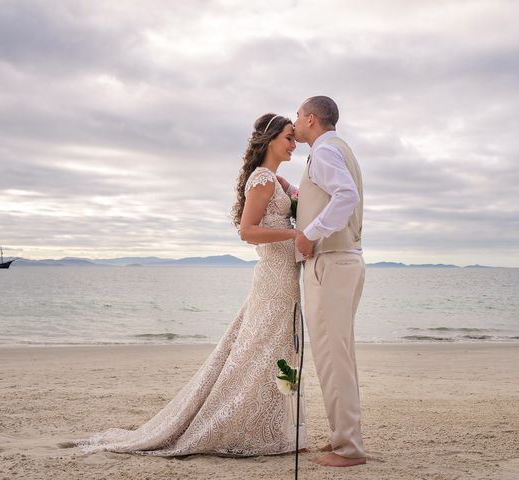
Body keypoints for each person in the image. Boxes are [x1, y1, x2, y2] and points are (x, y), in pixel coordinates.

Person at [76, 113, 308, 457]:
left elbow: (304, 197)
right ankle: (236, 427)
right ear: (271, 139)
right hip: (273, 278)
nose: (294, 145)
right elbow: (247, 231)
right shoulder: (261, 179)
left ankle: (271, 430)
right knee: (258, 354)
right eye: (289, 138)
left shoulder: (276, 180)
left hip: (285, 278)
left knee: (276, 353)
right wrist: (294, 233)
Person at [279, 96, 366, 467]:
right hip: (345, 261)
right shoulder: (339, 149)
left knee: (332, 357)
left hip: (329, 263)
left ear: (311, 119)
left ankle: (348, 448)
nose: (295, 122)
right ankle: (342, 438)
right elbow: (333, 196)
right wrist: (296, 195)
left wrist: (309, 234)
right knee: (339, 355)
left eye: (298, 115)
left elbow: (346, 196)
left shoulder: (324, 152)